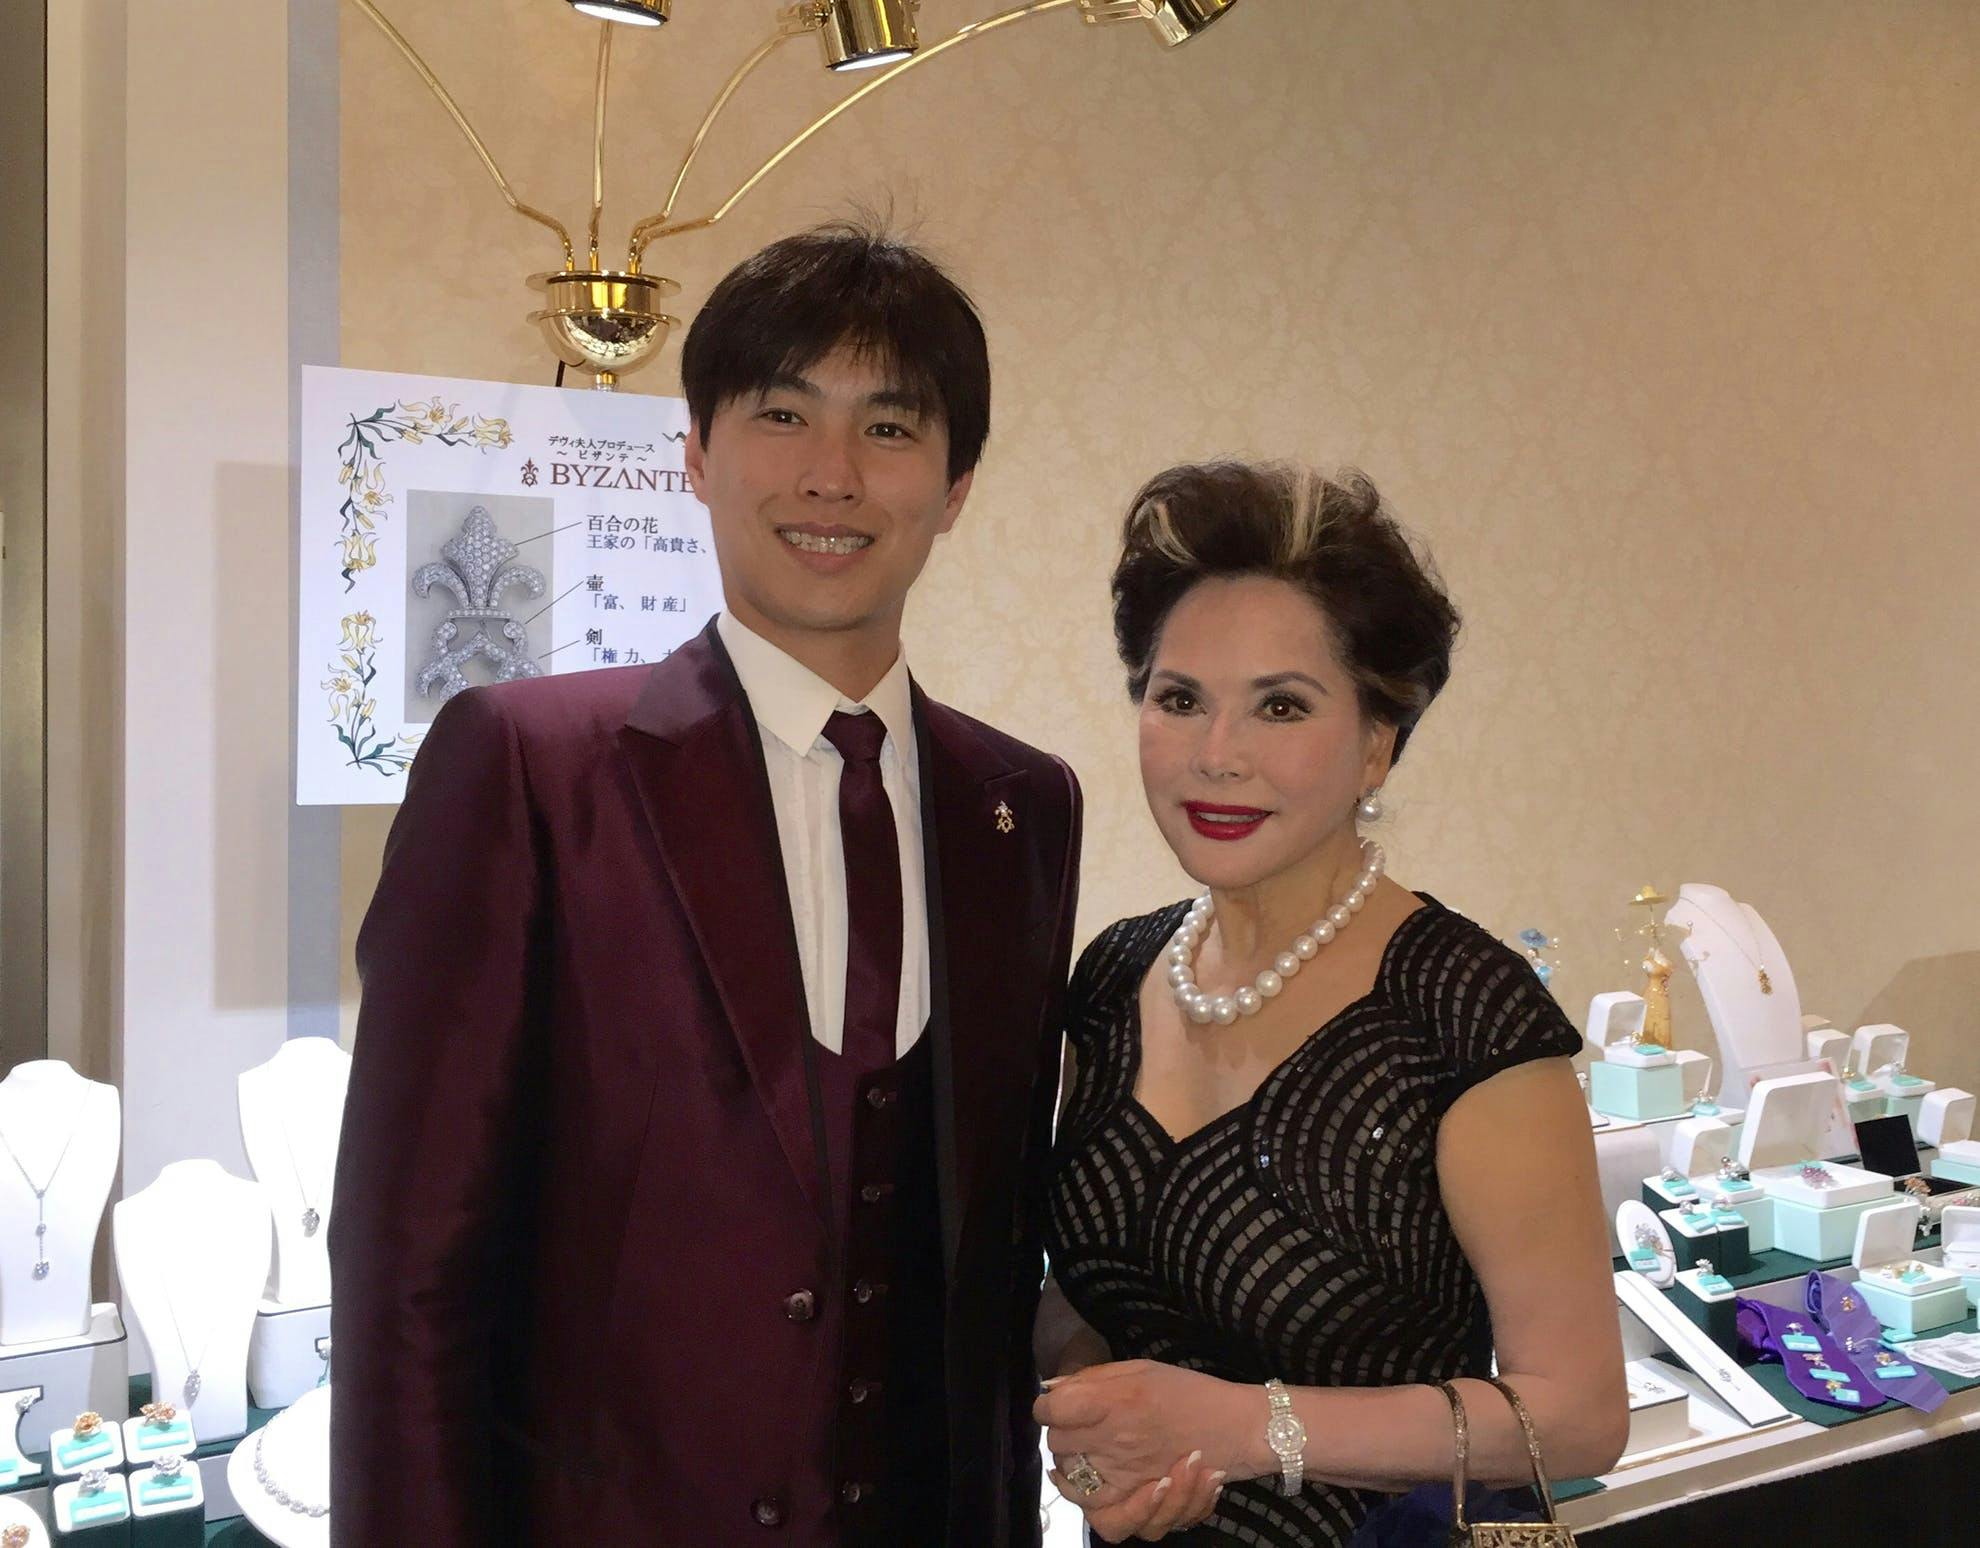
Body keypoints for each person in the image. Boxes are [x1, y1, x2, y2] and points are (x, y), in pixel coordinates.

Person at [330, 223, 1083, 1547]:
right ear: (695, 452)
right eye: (783, 414)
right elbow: (408, 1272)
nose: (831, 474)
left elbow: (992, 1241)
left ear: (957, 484)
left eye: (889, 429)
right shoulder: (530, 767)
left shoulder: (1020, 807)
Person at [1033, 462, 1626, 1544]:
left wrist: (1244, 1428)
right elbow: (1087, 1293)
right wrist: (1095, 1422)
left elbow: (1579, 1417)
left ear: (1376, 744)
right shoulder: (1112, 977)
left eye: (1281, 706)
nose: (1217, 755)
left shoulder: (1462, 1013)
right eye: (1180, 700)